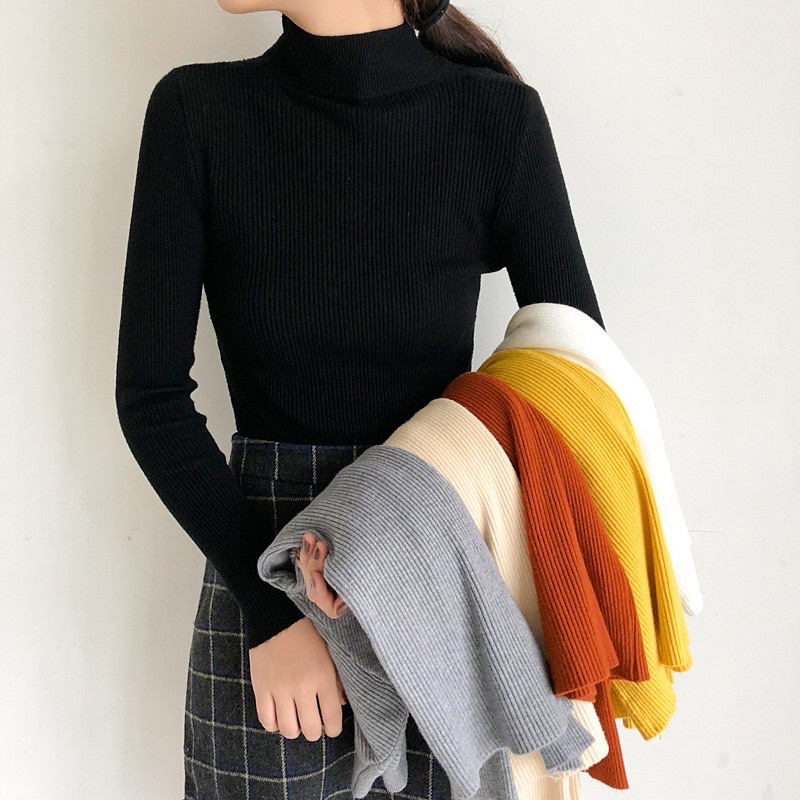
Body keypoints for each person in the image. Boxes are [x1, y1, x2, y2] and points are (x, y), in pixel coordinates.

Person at [114, 0, 605, 798]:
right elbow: (152, 398)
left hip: (436, 579)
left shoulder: (495, 119)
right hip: (265, 571)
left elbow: (575, 380)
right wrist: (273, 610)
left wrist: (407, 501)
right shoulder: (198, 112)